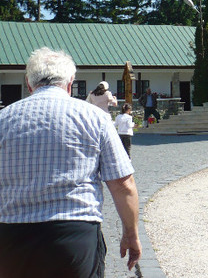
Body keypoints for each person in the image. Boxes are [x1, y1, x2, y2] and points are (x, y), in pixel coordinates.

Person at [0, 47, 141, 277]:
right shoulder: (95, 118)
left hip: (12, 238)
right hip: (75, 235)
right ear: (70, 82)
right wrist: (131, 234)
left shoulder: (3, 119)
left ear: (28, 84)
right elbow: (123, 183)